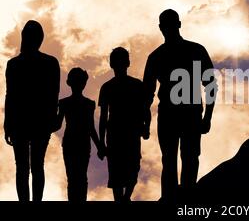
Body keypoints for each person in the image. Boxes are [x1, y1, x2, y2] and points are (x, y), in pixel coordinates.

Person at [143, 9, 217, 201]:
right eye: (166, 25)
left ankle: (185, 198)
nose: (168, 29)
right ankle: (175, 198)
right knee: (173, 159)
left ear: (177, 25)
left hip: (187, 112)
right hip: (173, 113)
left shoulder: (191, 51)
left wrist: (208, 117)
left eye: (170, 24)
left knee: (186, 158)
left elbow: (210, 84)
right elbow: (147, 94)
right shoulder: (162, 55)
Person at [4, 20, 60, 201]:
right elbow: (10, 95)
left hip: (30, 121)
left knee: (27, 167)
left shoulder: (15, 64)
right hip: (35, 121)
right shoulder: (49, 63)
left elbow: (53, 94)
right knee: (33, 166)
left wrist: (8, 123)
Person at [99, 47, 149, 202]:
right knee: (117, 173)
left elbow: (144, 109)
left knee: (132, 169)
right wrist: (101, 142)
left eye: (122, 60)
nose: (120, 64)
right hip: (115, 134)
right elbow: (103, 116)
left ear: (127, 63)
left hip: (130, 132)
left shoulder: (136, 85)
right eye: (117, 60)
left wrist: (146, 127)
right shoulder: (107, 87)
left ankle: (125, 198)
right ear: (112, 64)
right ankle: (122, 199)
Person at [54, 68, 106, 202]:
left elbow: (58, 125)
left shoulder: (65, 103)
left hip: (74, 142)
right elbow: (91, 128)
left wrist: (100, 145)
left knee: (74, 177)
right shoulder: (87, 104)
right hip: (79, 142)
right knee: (79, 176)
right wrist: (100, 145)